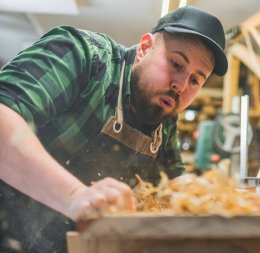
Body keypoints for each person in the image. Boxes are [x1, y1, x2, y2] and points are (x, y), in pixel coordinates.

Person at [0, 6, 228, 253]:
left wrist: (214, 202)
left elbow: (172, 182)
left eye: (196, 80)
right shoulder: (83, 54)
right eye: (175, 63)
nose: (181, 85)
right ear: (144, 48)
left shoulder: (165, 114)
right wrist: (74, 196)